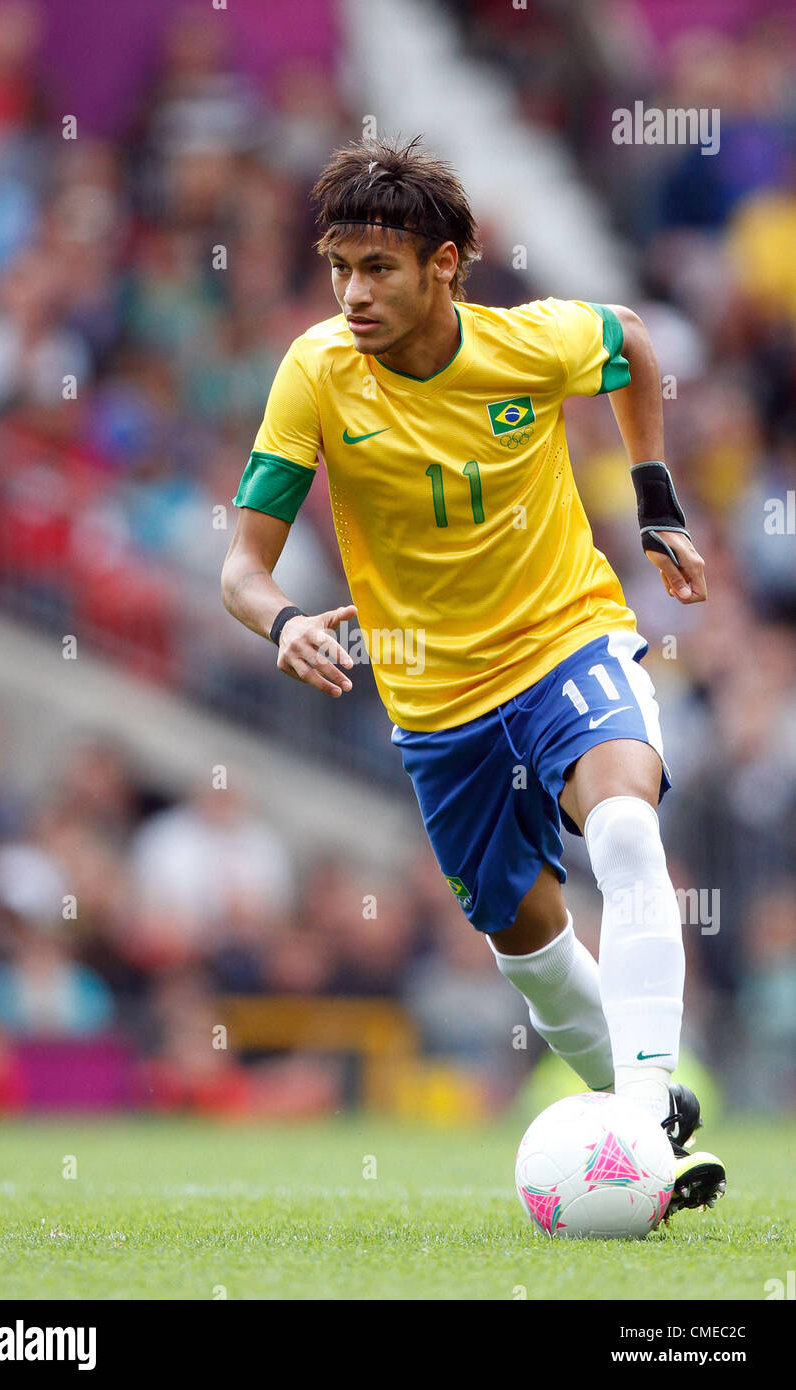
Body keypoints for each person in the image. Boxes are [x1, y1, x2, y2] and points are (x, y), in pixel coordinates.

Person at [221, 136, 725, 1215]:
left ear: (445, 264)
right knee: (532, 954)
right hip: (435, 701)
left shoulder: (527, 346)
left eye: (379, 268)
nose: (352, 293)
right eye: (338, 267)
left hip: (562, 642)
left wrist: (653, 499)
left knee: (626, 830)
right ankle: (648, 1129)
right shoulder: (316, 371)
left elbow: (629, 342)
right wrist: (281, 624)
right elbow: (240, 568)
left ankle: (637, 1124)